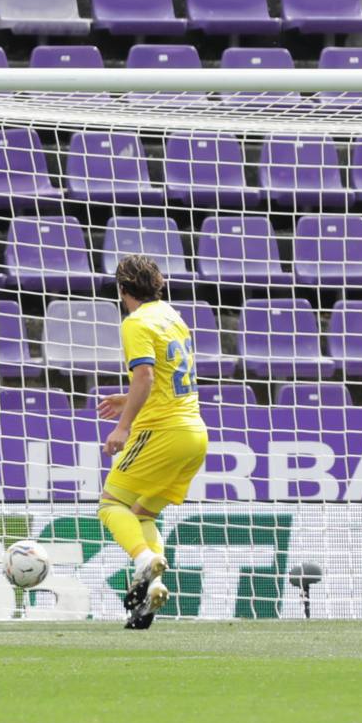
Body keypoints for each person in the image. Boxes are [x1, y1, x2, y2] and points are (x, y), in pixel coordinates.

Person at [96, 255, 209, 630]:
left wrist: (123, 426)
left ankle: (144, 561)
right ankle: (152, 586)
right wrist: (126, 400)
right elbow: (166, 379)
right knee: (143, 513)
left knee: (112, 505)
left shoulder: (136, 322)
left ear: (122, 289)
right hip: (193, 434)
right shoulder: (172, 317)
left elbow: (144, 375)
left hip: (160, 431)